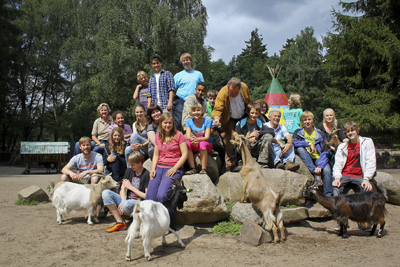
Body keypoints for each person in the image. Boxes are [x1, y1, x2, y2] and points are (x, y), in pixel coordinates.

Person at [102, 152, 150, 232]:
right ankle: (120, 222)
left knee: (126, 204)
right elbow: (123, 188)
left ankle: (138, 222)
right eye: (130, 164)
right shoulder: (129, 171)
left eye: (133, 164)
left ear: (140, 163)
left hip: (139, 202)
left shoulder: (146, 174)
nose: (130, 166)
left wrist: (131, 188)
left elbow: (147, 196)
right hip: (127, 201)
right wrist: (123, 201)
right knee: (106, 193)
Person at [147, 113, 188, 203]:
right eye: (165, 123)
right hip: (159, 167)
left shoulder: (179, 135)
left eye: (170, 123)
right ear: (161, 123)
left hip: (173, 167)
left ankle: (163, 215)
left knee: (162, 195)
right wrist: (153, 169)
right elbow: (156, 155)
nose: (168, 125)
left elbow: (185, 154)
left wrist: (175, 168)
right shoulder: (158, 136)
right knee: (150, 197)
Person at [212, 77, 251, 172]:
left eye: (236, 93)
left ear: (240, 89)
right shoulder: (223, 92)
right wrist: (217, 119)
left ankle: (248, 161)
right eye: (231, 92)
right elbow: (218, 108)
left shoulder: (244, 87)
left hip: (244, 116)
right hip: (230, 118)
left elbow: (248, 101)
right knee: (229, 138)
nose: (233, 95)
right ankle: (230, 165)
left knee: (247, 137)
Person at [293, 111, 333, 196]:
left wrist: (320, 166)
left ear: (313, 120)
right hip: (306, 157)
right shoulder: (298, 132)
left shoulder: (320, 133)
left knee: (327, 170)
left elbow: (325, 151)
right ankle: (314, 172)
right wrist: (308, 143)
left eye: (309, 119)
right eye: (305, 120)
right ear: (302, 121)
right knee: (300, 149)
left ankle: (328, 195)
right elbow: (294, 142)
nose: (307, 122)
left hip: (319, 157)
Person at [332, 121, 375, 195]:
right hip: (345, 174)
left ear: (357, 131)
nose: (350, 133)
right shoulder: (342, 147)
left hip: (359, 175)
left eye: (352, 130)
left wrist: (366, 179)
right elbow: (338, 164)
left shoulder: (367, 142)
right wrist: (337, 178)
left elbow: (371, 161)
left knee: (367, 191)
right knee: (335, 189)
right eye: (348, 131)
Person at [234, 102, 275, 168]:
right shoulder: (240, 123)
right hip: (245, 148)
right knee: (243, 142)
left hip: (256, 147)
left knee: (268, 136)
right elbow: (236, 137)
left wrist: (258, 134)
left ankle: (262, 162)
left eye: (256, 113)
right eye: (252, 113)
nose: (254, 115)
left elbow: (272, 132)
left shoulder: (260, 122)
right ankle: (245, 161)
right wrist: (248, 137)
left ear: (259, 114)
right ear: (248, 113)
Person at [173, 53, 205, 131]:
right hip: (181, 99)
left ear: (190, 61)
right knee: (178, 121)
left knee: (195, 119)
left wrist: (202, 99)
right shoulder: (178, 75)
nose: (185, 62)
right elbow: (171, 88)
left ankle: (194, 138)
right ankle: (178, 139)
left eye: (187, 60)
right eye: (183, 61)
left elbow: (203, 87)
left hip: (194, 100)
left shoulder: (198, 74)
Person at [185, 103, 213, 175]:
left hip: (206, 145)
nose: (196, 112)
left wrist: (197, 140)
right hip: (195, 144)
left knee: (202, 143)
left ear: (201, 111)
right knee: (187, 143)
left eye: (198, 110)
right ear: (191, 112)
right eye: (194, 111)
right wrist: (193, 139)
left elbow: (206, 138)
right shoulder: (188, 122)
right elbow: (188, 137)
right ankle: (193, 168)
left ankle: (204, 169)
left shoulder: (207, 121)